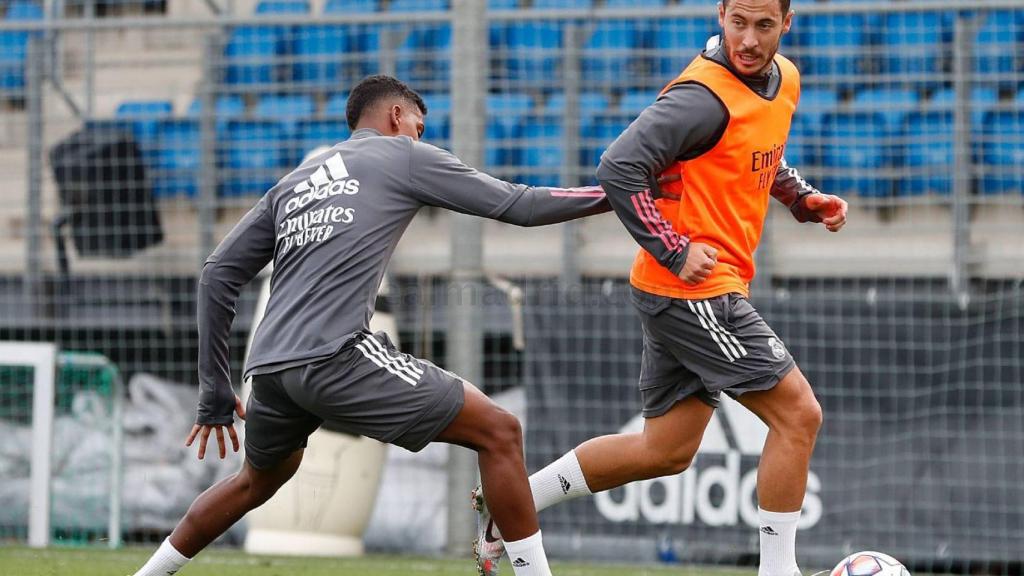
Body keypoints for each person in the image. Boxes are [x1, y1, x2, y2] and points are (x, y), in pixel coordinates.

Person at [130, 74, 613, 576]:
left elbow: (216, 274)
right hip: (336, 356)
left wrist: (213, 389)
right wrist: (611, 195)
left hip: (270, 369)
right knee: (500, 431)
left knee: (256, 481)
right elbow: (521, 204)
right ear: (396, 117)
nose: (421, 138)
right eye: (419, 127)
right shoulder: (402, 155)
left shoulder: (295, 181)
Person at [472, 1, 848, 576]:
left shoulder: (785, 79)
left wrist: (801, 197)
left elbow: (756, 156)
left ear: (786, 23)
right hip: (695, 292)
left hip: (680, 290)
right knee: (799, 415)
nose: (748, 39)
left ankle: (514, 501)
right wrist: (674, 247)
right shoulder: (700, 96)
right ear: (721, 13)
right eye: (738, 22)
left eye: (764, 25)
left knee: (665, 451)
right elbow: (618, 167)